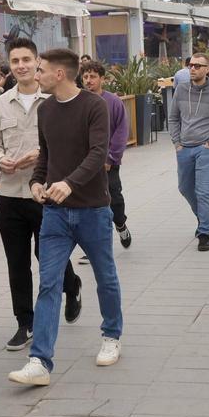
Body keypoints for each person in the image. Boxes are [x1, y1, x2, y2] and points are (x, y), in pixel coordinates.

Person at [8, 48, 123, 386]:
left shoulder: (94, 106)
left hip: (93, 209)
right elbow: (46, 153)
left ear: (59, 74)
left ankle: (111, 334)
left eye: (41, 69)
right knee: (49, 283)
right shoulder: (46, 110)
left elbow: (98, 153)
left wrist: (69, 184)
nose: (36, 74)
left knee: (106, 275)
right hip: (55, 214)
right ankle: (40, 361)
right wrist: (36, 182)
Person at [0, 37, 83, 352]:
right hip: (10, 195)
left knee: (48, 256)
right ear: (9, 66)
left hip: (46, 195)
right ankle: (24, 322)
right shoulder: (0, 104)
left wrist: (39, 155)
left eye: (27, 60)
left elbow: (68, 144)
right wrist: (1, 160)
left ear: (37, 61)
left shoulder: (53, 101)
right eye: (15, 61)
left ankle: (72, 284)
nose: (21, 66)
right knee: (17, 263)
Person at [168, 53, 209, 251]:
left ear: (207, 69)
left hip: (207, 148)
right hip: (184, 148)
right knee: (185, 188)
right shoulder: (181, 89)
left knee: (203, 191)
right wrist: (177, 143)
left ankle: (204, 232)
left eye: (198, 65)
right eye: (190, 65)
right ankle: (202, 216)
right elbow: (173, 118)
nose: (193, 68)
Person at [77, 60, 133, 265]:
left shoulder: (113, 102)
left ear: (102, 79)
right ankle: (93, 249)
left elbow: (121, 131)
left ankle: (120, 224)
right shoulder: (78, 101)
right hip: (84, 164)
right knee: (90, 207)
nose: (89, 80)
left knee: (113, 198)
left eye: (93, 76)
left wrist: (111, 157)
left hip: (107, 164)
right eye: (85, 77)